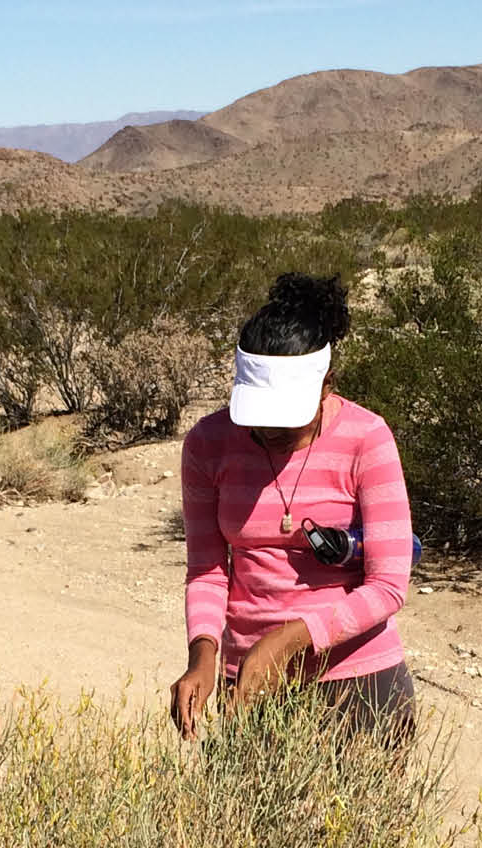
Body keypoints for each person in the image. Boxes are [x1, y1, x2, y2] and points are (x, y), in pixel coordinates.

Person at [169, 273, 415, 741]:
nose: (267, 433)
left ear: (327, 386)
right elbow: (207, 569)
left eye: (285, 418)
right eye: (257, 417)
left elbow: (387, 586)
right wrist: (203, 656)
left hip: (357, 684)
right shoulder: (208, 443)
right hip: (250, 681)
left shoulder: (367, 438)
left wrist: (287, 641)